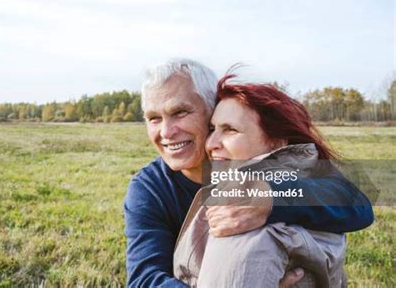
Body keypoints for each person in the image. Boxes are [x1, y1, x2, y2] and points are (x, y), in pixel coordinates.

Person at [124, 59, 374, 287]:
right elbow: (145, 278)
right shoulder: (149, 187)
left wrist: (271, 200)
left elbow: (358, 206)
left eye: (180, 112)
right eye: (154, 118)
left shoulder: (267, 170)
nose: (166, 132)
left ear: (212, 108)